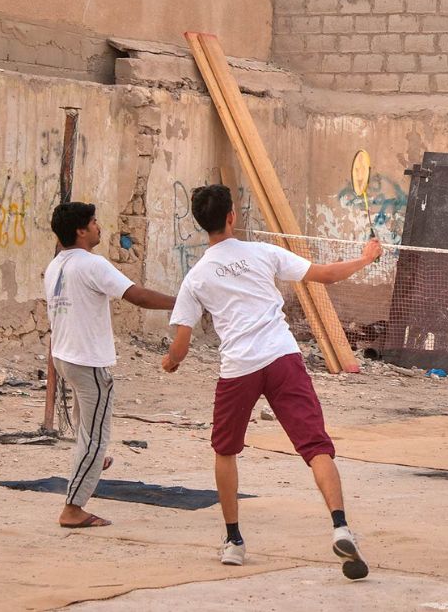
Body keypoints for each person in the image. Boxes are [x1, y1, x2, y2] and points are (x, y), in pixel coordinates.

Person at [161, 185, 381, 580]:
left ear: (201, 223)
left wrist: (171, 362)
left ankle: (234, 542)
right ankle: (341, 526)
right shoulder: (262, 252)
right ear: (232, 216)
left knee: (225, 451)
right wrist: (365, 258)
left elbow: (181, 341)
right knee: (316, 447)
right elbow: (325, 275)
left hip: (238, 368)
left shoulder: (196, 277)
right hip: (282, 357)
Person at [45, 202, 176, 527]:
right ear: (81, 230)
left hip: (65, 357)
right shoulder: (92, 264)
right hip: (87, 361)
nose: (99, 227)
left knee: (86, 427)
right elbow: (138, 297)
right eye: (93, 222)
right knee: (96, 435)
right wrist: (181, 302)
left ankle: (91, 460)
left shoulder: (56, 266)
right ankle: (73, 508)